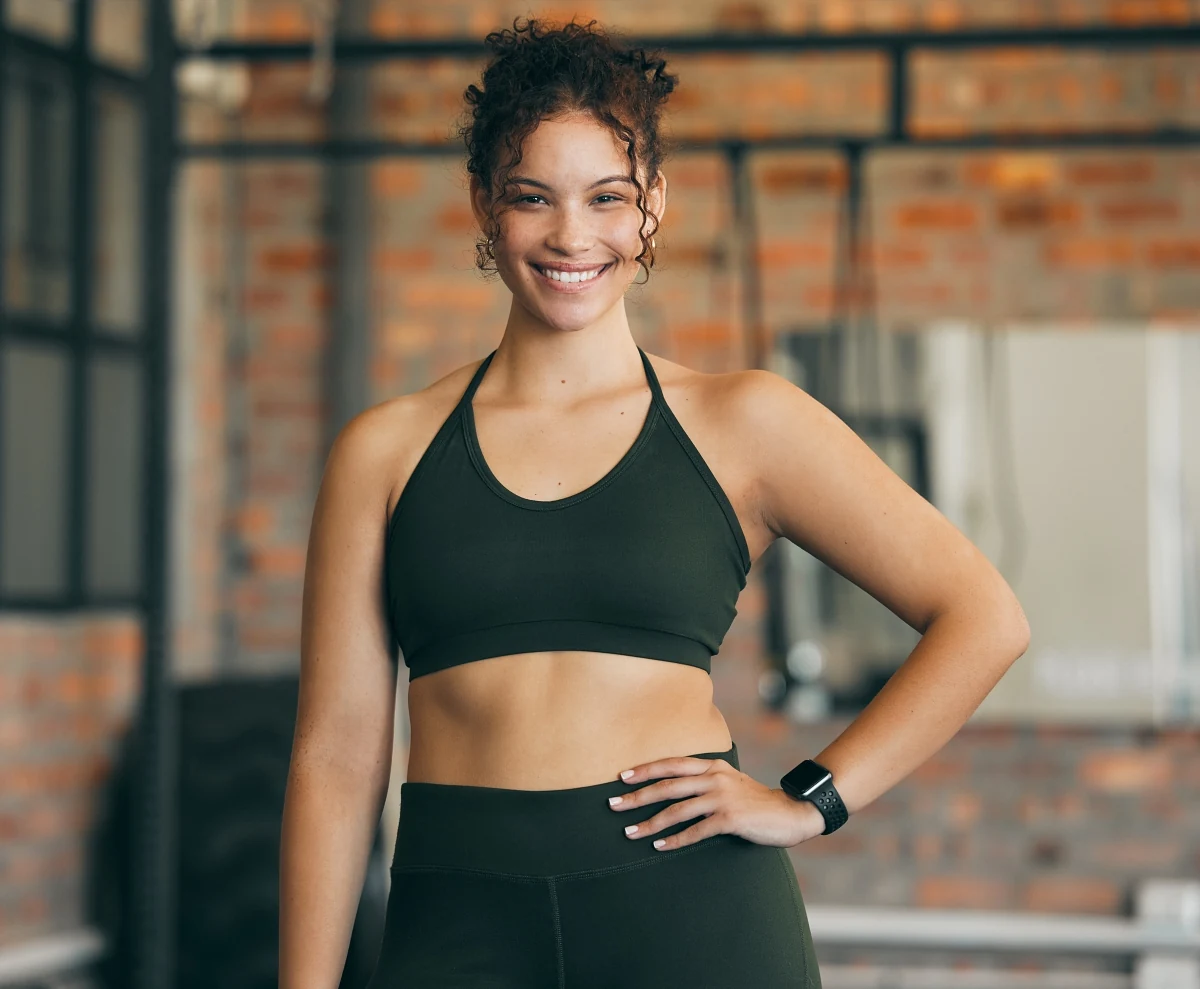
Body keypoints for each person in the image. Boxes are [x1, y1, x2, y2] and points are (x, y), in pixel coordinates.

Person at [278, 16, 1030, 989]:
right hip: (457, 919)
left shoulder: (745, 421)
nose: (571, 234)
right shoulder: (383, 450)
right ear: (482, 205)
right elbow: (336, 758)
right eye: (531, 197)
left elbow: (984, 617)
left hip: (692, 916)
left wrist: (810, 799)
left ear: (654, 207)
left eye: (607, 197)